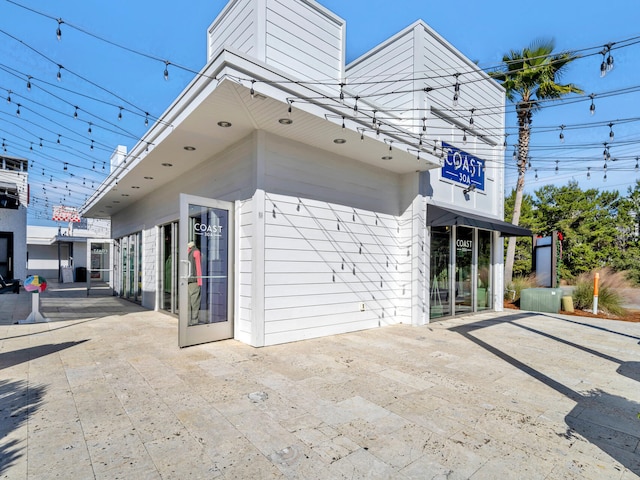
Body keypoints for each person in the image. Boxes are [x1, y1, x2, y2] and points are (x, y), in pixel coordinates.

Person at [187, 241, 202, 325]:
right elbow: (198, 267)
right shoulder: (194, 252)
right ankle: (192, 321)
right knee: (193, 302)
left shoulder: (193, 252)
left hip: (190, 280)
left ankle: (192, 321)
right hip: (190, 280)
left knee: (192, 302)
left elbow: (198, 267)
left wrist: (199, 281)